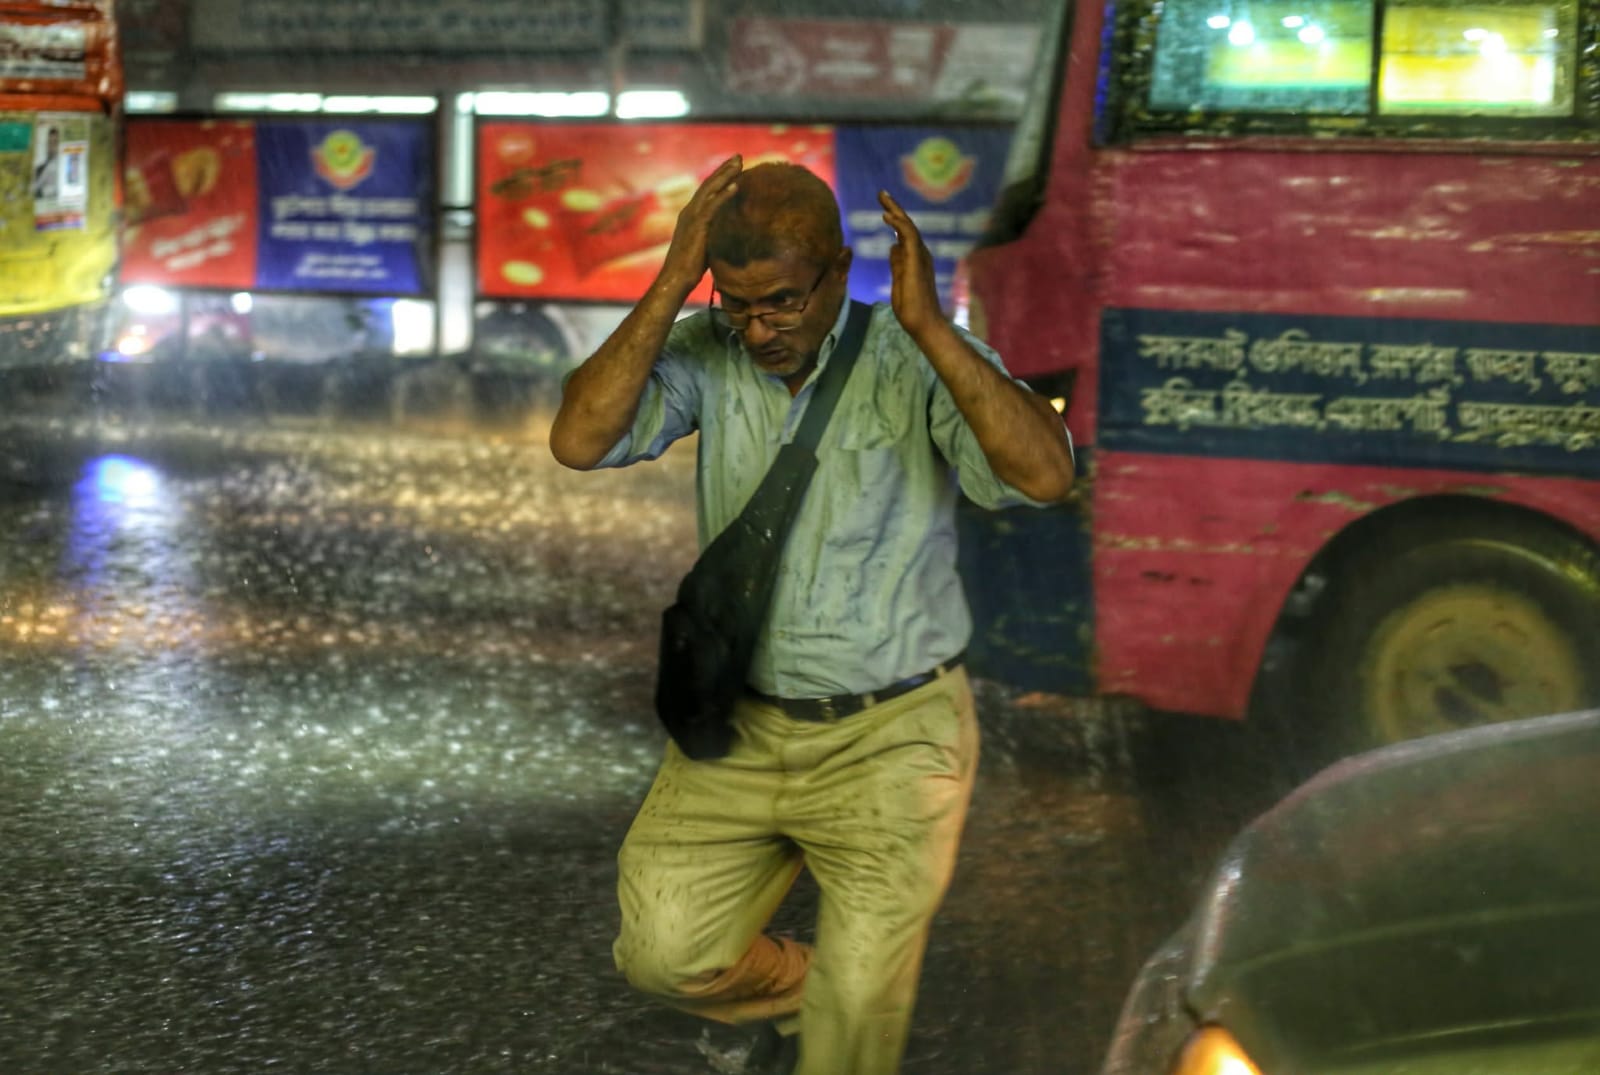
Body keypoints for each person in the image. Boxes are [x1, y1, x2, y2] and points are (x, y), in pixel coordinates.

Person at [549, 157, 1075, 1075]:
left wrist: (930, 328)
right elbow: (580, 437)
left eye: (784, 303)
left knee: (849, 1040)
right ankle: (806, 992)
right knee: (663, 952)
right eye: (738, 304)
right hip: (738, 723)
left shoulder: (914, 355)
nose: (759, 330)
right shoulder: (711, 350)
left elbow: (1044, 473)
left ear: (840, 269)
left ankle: (848, 1008)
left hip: (893, 735)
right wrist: (674, 280)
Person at [32, 126, 61, 201]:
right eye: (49, 142)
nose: (51, 146)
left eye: (55, 142)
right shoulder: (39, 168)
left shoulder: (62, 167)